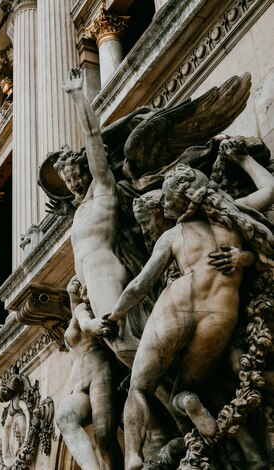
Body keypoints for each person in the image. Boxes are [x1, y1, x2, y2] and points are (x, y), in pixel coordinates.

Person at [107, 155, 274, 470]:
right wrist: (244, 159)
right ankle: (191, 403)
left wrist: (115, 314)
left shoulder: (174, 235)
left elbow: (141, 284)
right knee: (184, 391)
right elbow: (270, 188)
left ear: (176, 203)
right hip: (221, 317)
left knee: (140, 386)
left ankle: (132, 456)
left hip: (177, 304)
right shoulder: (234, 219)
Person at [57, 68, 138, 366]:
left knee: (124, 347)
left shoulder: (103, 188)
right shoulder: (78, 212)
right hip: (88, 280)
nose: (74, 184)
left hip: (104, 269)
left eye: (77, 176)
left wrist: (78, 96)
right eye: (68, 182)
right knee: (122, 348)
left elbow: (92, 135)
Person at [56, 277, 123, 470]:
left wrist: (92, 325)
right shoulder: (79, 310)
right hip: (79, 385)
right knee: (65, 417)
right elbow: (81, 316)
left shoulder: (93, 309)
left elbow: (86, 322)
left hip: (100, 374)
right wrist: (71, 293)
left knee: (104, 437)